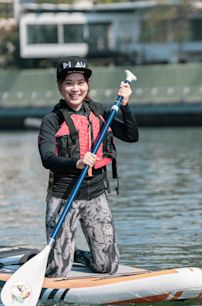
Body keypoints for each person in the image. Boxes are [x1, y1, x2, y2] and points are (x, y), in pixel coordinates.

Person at [38, 56, 139, 278]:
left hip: (96, 194)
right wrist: (77, 162)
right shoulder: (52, 120)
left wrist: (125, 106)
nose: (76, 89)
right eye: (69, 83)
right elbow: (47, 158)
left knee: (108, 267)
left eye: (80, 83)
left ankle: (78, 255)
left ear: (87, 85)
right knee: (58, 271)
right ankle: (54, 258)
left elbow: (132, 136)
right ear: (60, 86)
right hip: (64, 196)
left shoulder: (101, 111)